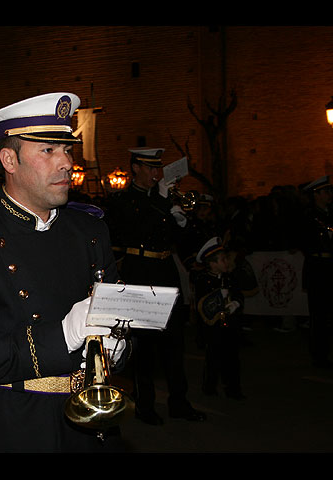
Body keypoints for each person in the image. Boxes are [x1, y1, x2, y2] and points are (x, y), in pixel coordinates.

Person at [0, 92, 128, 453]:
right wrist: (64, 335)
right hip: (19, 423)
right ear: (9, 159)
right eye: (48, 151)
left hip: (95, 421)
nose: (66, 163)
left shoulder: (90, 229)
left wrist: (119, 343)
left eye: (67, 150)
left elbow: (116, 314)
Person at [105, 147, 206, 425]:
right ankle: (144, 404)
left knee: (174, 342)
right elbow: (134, 229)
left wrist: (183, 222)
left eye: (158, 168)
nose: (155, 174)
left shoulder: (162, 201)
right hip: (141, 273)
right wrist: (162, 204)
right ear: (135, 167)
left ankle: (179, 402)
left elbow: (181, 240)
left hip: (166, 271)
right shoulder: (123, 200)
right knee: (144, 346)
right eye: (150, 168)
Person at [193, 237, 245, 399]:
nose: (226, 262)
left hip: (230, 325)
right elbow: (202, 305)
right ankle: (210, 386)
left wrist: (236, 303)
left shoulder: (229, 277)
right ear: (212, 263)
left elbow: (238, 293)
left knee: (232, 358)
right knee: (213, 357)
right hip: (212, 327)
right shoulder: (203, 280)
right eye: (222, 260)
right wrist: (217, 297)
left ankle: (233, 388)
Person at [300, 176, 333, 368]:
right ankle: (319, 355)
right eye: (326, 192)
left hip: (330, 266)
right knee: (319, 315)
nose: (330, 195)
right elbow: (305, 241)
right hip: (318, 267)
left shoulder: (330, 213)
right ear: (316, 195)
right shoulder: (309, 216)